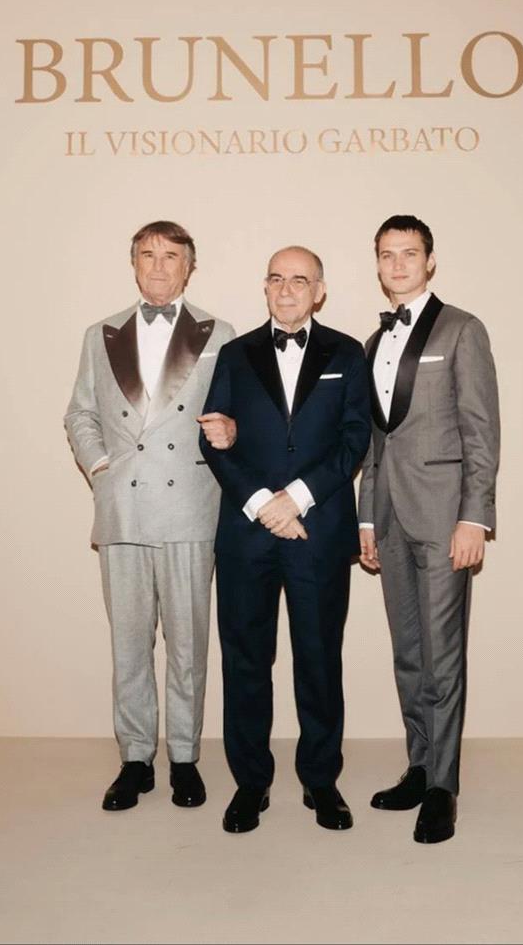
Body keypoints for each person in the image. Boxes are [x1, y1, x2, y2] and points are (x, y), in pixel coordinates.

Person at [64, 221, 235, 812]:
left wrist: (232, 431)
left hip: (189, 507)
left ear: (190, 266)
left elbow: (236, 412)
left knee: (188, 644)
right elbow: (80, 413)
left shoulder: (220, 334)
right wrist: (101, 467)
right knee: (130, 643)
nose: (158, 266)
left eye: (171, 256)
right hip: (123, 508)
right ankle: (135, 759)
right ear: (133, 263)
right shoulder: (100, 333)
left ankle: (184, 758)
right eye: (147, 255)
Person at [199, 247, 371, 833]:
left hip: (317, 532)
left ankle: (321, 781)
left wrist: (294, 499)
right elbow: (212, 438)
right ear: (265, 288)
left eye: (300, 280)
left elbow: (354, 439)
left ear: (319, 291)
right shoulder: (235, 353)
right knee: (246, 660)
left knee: (319, 659)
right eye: (277, 279)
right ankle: (251, 784)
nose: (287, 289)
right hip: (246, 535)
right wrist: (261, 504)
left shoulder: (347, 353)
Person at [358, 214, 500, 844]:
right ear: (377, 263)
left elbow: (481, 431)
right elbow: (375, 442)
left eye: (409, 254)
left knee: (443, 657)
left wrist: (475, 516)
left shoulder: (463, 329)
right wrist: (367, 515)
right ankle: (419, 767)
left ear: (430, 261)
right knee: (409, 655)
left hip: (446, 519)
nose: (397, 264)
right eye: (387, 255)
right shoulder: (373, 342)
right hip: (390, 517)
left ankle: (443, 787)